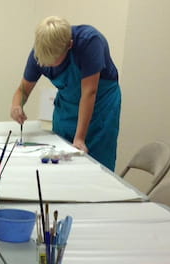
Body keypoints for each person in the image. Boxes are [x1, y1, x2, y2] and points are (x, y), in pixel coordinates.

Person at [10, 16, 121, 171]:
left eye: (53, 60)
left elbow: (90, 92)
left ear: (69, 45)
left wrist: (80, 137)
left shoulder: (89, 42)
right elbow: (23, 90)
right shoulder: (39, 52)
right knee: (61, 159)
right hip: (67, 107)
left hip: (100, 107)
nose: (48, 65)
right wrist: (17, 105)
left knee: (96, 166)